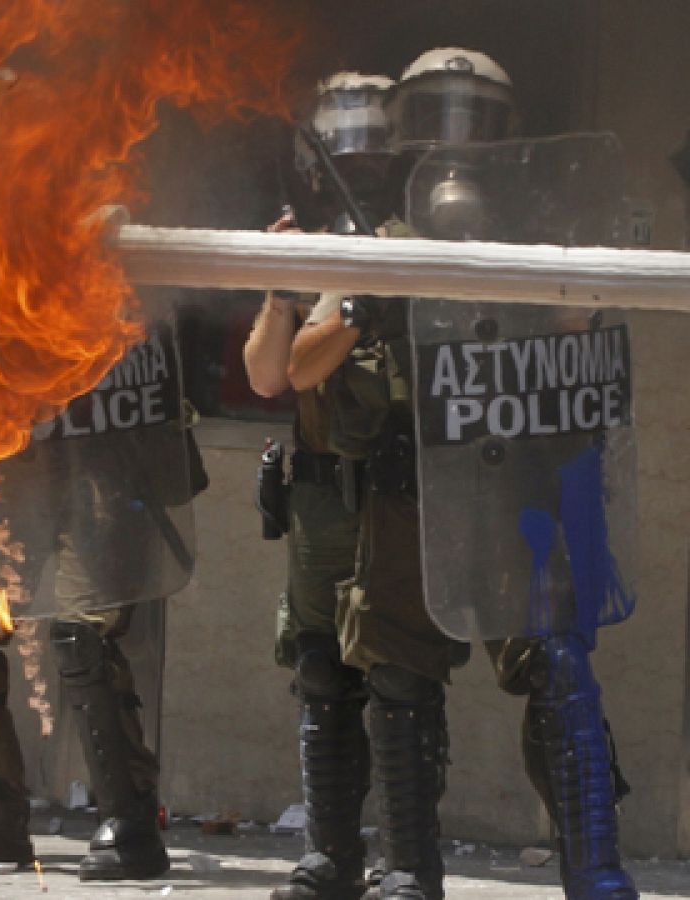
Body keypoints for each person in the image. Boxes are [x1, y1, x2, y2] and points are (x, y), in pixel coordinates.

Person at [390, 48, 638, 900]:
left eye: (474, 115)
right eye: (437, 111)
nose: (455, 136)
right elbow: (293, 369)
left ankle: (594, 863)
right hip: (406, 492)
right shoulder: (376, 238)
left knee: (557, 666)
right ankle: (403, 869)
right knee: (393, 679)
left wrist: (575, 304)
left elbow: (584, 342)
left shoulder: (535, 227)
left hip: (517, 490)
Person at [0, 323, 202, 882]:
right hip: (12, 461)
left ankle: (131, 824)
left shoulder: (113, 249)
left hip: (105, 461)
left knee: (82, 635)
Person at [247, 71, 395, 900]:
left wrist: (341, 299)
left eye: (367, 141)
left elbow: (304, 366)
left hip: (391, 495)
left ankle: (406, 859)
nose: (354, 156)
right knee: (321, 672)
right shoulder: (324, 240)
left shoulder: (401, 235)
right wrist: (280, 283)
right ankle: (330, 855)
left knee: (399, 679)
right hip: (318, 501)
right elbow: (268, 374)